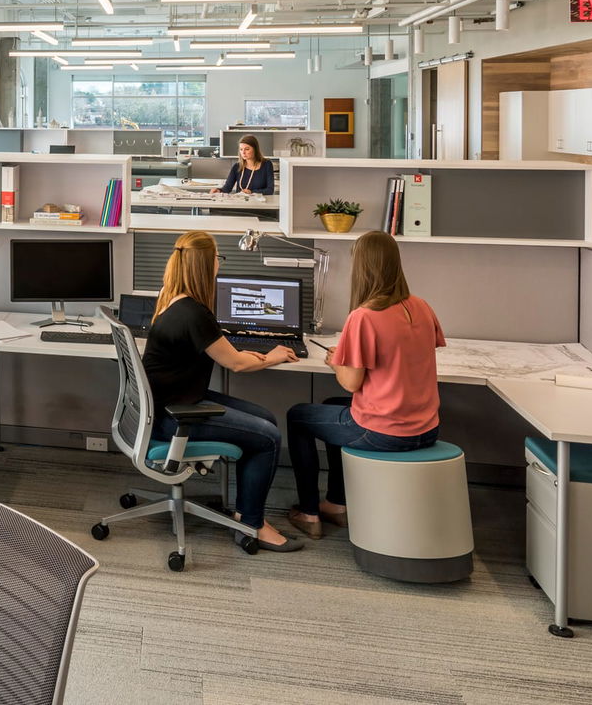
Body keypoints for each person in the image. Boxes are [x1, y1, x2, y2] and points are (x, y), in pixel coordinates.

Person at [141, 230, 303, 551]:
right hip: (175, 417)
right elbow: (236, 365)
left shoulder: (172, 298)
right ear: (205, 264)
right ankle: (252, 523)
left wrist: (241, 354)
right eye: (218, 258)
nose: (219, 264)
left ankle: (245, 511)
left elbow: (223, 352)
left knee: (265, 418)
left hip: (165, 406)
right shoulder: (194, 313)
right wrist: (272, 356)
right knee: (269, 437)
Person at [285, 231, 443, 539]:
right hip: (426, 428)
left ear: (362, 268)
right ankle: (336, 503)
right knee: (331, 408)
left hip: (385, 432)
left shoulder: (364, 316)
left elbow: (351, 383)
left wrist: (337, 362)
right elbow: (404, 356)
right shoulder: (422, 306)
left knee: (298, 416)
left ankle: (308, 512)